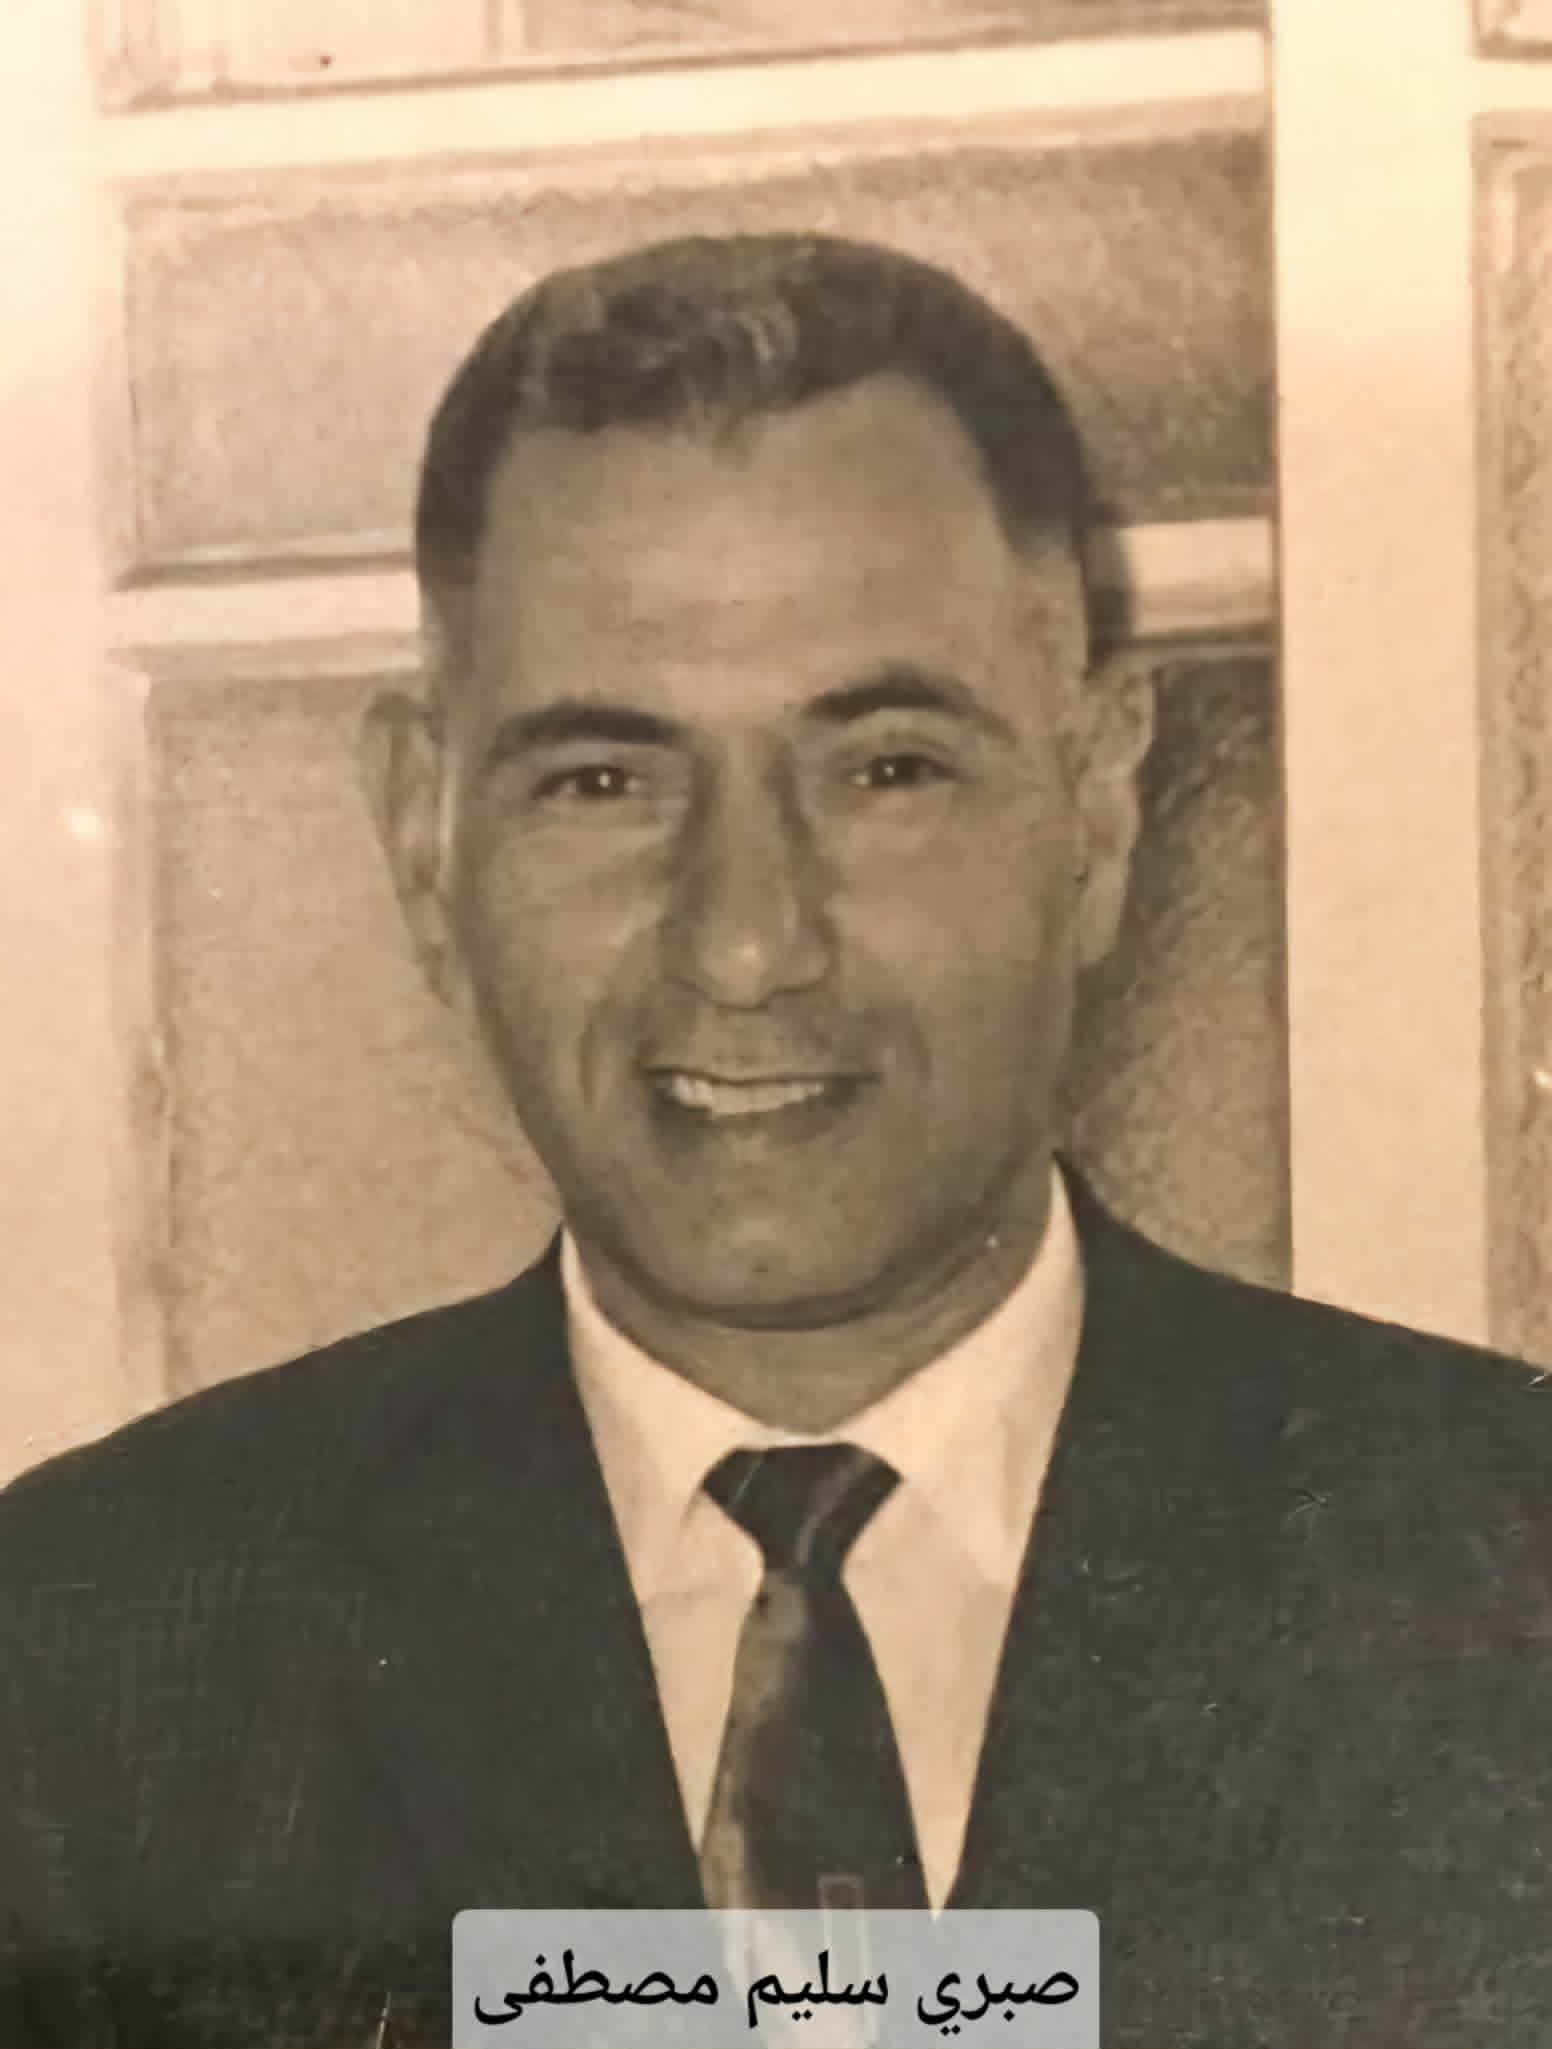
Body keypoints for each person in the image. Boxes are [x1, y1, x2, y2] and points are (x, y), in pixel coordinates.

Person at [3, 233, 1551, 2049]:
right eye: (605, 780)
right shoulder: (89, 1665)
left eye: (885, 767)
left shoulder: (1502, 1574)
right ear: (425, 836)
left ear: (1100, 804)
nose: (745, 941)